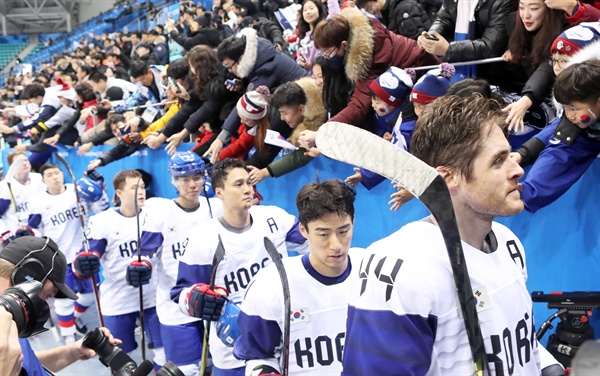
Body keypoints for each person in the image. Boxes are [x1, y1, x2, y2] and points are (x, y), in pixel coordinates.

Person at [340, 94, 564, 374]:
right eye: (498, 161)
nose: (518, 169)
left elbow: (515, 344)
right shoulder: (399, 267)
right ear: (448, 177)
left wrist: (546, 365)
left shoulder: (509, 244)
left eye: (510, 155)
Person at [171, 158, 308, 375]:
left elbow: (311, 246)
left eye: (248, 183)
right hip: (231, 354)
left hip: (283, 343)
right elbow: (181, 294)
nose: (248, 190)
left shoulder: (274, 219)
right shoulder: (202, 239)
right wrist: (195, 299)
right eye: (238, 184)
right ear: (219, 192)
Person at [233, 179, 359, 375]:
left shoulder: (373, 271)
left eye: (343, 231)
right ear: (303, 230)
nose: (336, 244)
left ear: (353, 223)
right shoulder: (271, 285)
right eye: (323, 234)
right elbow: (255, 355)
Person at [73, 170, 165, 369]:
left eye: (142, 187)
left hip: (153, 296)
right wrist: (83, 263)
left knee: (163, 353)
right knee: (121, 360)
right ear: (119, 193)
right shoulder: (103, 221)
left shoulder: (156, 214)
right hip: (118, 300)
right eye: (134, 188)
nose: (141, 192)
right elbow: (87, 256)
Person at [146, 152, 224, 375]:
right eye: (184, 179)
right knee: (187, 369)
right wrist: (139, 266)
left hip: (214, 301)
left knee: (220, 363)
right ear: (173, 180)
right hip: (177, 305)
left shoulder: (217, 207)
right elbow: (144, 254)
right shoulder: (162, 214)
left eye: (197, 177)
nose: (192, 184)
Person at [0, 236, 121, 375]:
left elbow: (26, 364)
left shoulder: (10, 319)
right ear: (24, 277)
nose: (44, 303)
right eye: (48, 295)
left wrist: (74, 350)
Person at [313, 7, 439, 127]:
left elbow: (359, 105)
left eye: (328, 52)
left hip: (425, 77)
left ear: (344, 45)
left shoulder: (368, 57)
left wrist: (327, 128)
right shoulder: (362, 35)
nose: (326, 57)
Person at [26, 164, 109, 343]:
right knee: (63, 299)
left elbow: (102, 210)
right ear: (43, 180)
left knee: (90, 295)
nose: (55, 177)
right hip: (58, 258)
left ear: (62, 174)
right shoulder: (38, 202)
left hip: (83, 255)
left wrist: (100, 190)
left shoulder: (78, 191)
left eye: (57, 172)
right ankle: (68, 336)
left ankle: (75, 317)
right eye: (50, 175)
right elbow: (33, 229)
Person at [519, 58, 600, 213]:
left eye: (574, 109)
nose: (569, 115)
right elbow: (559, 152)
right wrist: (523, 155)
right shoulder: (578, 121)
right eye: (565, 108)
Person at [247, 77, 327, 185]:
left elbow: (301, 155)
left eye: (284, 113)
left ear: (302, 109)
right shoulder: (295, 101)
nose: (281, 118)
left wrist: (264, 173)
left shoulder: (322, 121)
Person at [0, 152, 46, 246]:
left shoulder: (39, 179)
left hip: (40, 233)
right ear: (12, 167)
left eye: (26, 160)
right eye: (19, 162)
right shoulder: (5, 187)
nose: (25, 163)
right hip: (18, 239)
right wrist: (6, 235)